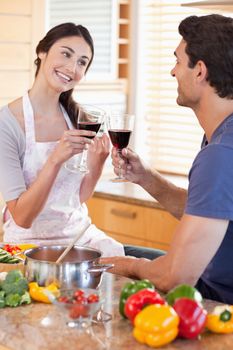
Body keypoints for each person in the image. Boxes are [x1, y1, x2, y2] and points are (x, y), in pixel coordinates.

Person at [101, 14, 233, 303]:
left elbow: (176, 276)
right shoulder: (221, 138)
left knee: (112, 264)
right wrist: (147, 179)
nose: (172, 72)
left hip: (217, 304)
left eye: (177, 61)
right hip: (210, 283)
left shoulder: (220, 155)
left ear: (199, 70)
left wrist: (127, 267)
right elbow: (209, 212)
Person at [0, 22, 124, 256]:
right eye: (66, 54)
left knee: (119, 259)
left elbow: (74, 199)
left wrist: (97, 166)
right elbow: (22, 217)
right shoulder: (7, 124)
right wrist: (55, 159)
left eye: (81, 62)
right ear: (42, 52)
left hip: (78, 235)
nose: (71, 67)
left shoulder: (79, 118)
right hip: (28, 244)